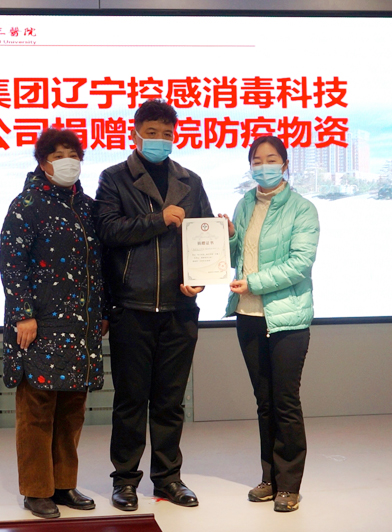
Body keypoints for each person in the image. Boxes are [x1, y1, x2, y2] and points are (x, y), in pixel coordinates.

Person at [95, 99, 213, 511]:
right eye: (152, 132)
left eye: (166, 133)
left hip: (179, 310)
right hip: (132, 307)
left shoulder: (191, 180)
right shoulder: (114, 178)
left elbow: (203, 236)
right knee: (130, 401)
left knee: (170, 401)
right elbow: (108, 230)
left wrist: (200, 277)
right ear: (135, 133)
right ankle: (125, 481)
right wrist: (158, 219)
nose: (160, 139)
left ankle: (168, 478)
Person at [0, 128, 107, 519]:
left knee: (72, 409)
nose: (67, 161)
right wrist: (23, 314)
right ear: (42, 162)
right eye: (57, 155)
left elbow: (99, 265)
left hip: (81, 326)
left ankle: (63, 484)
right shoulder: (26, 204)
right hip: (40, 324)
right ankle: (36, 490)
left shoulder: (89, 207)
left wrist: (102, 312)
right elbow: (11, 264)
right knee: (37, 408)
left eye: (72, 154)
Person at [220, 135, 319, 512]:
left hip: (287, 319)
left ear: (286, 164)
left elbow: (300, 264)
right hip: (248, 316)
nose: (264, 166)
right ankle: (270, 478)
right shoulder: (245, 203)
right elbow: (238, 257)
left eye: (271, 159)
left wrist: (255, 283)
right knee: (264, 402)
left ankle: (289, 484)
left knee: (285, 401)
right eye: (257, 161)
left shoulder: (302, 209)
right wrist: (230, 236)